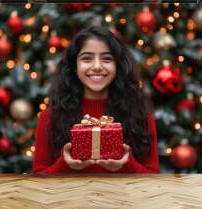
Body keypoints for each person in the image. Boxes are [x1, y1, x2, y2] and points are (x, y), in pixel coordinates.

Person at [32, 26, 159, 174]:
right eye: (87, 58)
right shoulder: (49, 118)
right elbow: (37, 181)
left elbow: (153, 181)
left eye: (107, 59)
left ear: (117, 66)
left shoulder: (141, 116)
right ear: (74, 66)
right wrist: (65, 165)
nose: (97, 67)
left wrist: (127, 164)